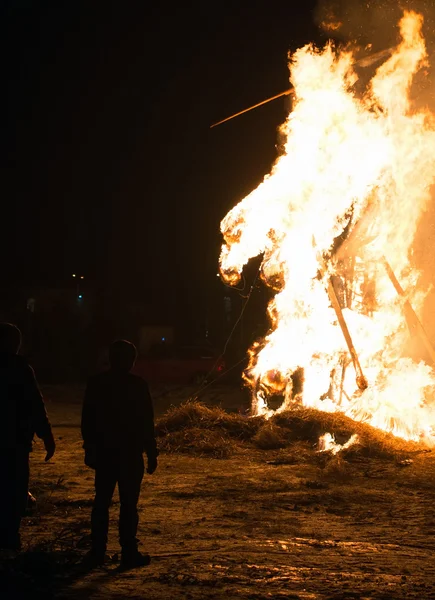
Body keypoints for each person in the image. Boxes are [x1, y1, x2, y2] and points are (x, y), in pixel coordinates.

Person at [81, 339, 158, 569]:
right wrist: (152, 453)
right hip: (129, 454)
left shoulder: (97, 384)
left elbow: (87, 421)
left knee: (101, 503)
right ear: (131, 361)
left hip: (105, 454)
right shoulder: (137, 385)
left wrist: (90, 449)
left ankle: (97, 552)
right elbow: (147, 423)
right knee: (128, 505)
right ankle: (128, 552)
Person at [0, 323, 55, 551]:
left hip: (14, 439)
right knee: (15, 488)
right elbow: (35, 403)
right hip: (15, 441)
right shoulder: (20, 367)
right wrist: (46, 435)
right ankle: (10, 536)